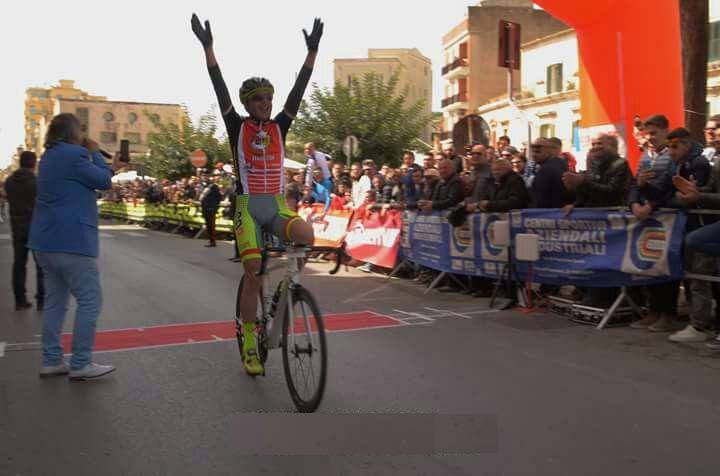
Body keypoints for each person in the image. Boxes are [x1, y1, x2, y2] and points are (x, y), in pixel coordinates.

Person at [192, 13, 320, 375]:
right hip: (248, 207)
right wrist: (208, 48)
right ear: (248, 103)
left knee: (307, 235)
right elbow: (218, 88)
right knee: (252, 270)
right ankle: (250, 339)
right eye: (259, 98)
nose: (266, 102)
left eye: (269, 97)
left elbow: (299, 89)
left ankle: (287, 289)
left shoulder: (280, 125)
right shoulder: (237, 126)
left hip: (277, 206)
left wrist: (311, 54)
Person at [28, 113, 121, 380]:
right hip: (72, 240)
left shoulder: (48, 157)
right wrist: (95, 154)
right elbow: (102, 181)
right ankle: (81, 362)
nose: (83, 134)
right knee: (90, 300)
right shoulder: (74, 155)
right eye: (80, 130)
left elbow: (92, 179)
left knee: (56, 303)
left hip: (44, 242)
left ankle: (51, 359)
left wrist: (107, 165)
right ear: (71, 132)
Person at [562, 133, 631, 307]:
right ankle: (589, 294)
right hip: (593, 223)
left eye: (600, 143)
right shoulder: (592, 165)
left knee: (608, 262)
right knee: (591, 260)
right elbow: (587, 193)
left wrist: (582, 182)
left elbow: (611, 192)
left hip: (612, 223)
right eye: (593, 144)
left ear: (613, 146)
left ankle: (605, 299)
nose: (595, 147)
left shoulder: (620, 165)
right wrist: (575, 203)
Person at [4, 151, 45, 311]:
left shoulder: (9, 181)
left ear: (20, 162)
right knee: (41, 265)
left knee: (19, 265)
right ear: (34, 163)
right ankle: (42, 300)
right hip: (36, 228)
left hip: (17, 228)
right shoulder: (37, 182)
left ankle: (20, 300)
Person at [530, 138, 570, 208]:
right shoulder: (560, 163)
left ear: (549, 151)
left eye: (538, 152)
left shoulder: (546, 169)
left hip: (548, 213)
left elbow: (541, 199)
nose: (534, 155)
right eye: (533, 151)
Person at [199, 177, 222, 247]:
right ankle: (212, 241)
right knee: (210, 226)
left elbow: (202, 199)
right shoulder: (208, 188)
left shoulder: (211, 189)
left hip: (209, 210)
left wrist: (213, 207)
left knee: (210, 226)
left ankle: (212, 241)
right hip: (209, 209)